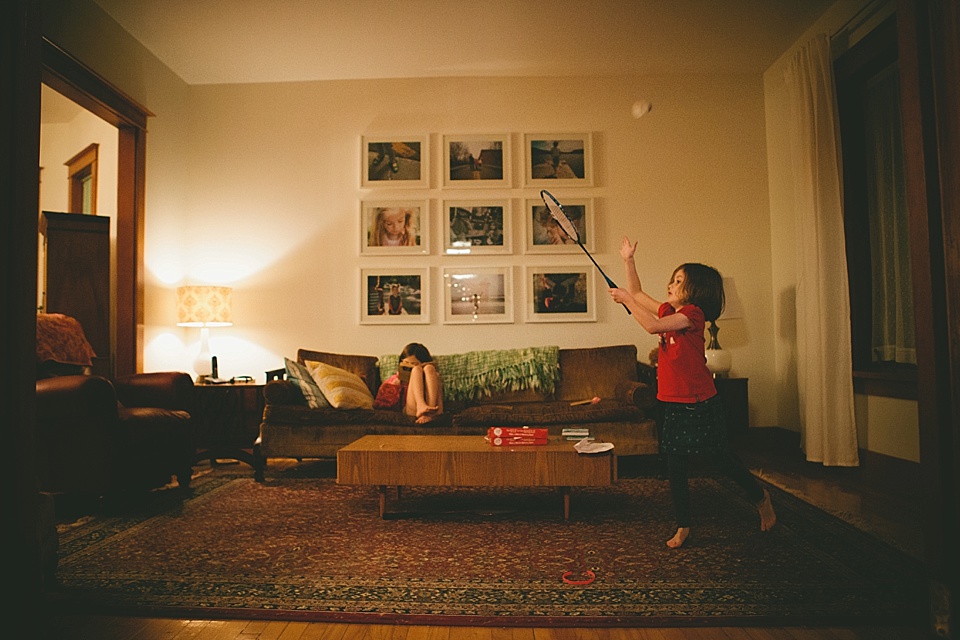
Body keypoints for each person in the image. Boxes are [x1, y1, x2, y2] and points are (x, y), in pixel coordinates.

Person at [608, 236, 776, 548]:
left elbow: (653, 326)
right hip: (670, 403)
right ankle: (683, 525)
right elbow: (636, 294)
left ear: (696, 289)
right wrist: (628, 260)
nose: (671, 284)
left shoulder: (693, 315)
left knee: (721, 460)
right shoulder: (668, 309)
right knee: (675, 466)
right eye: (672, 279)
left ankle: (760, 497)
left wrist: (628, 303)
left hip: (700, 402)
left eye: (679, 281)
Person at [398, 342, 443, 424]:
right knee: (416, 370)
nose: (409, 366)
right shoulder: (396, 378)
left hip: (435, 408)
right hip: (413, 409)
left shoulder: (433, 374)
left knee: (430, 369)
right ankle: (421, 406)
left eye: (414, 364)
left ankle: (429, 411)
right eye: (406, 363)